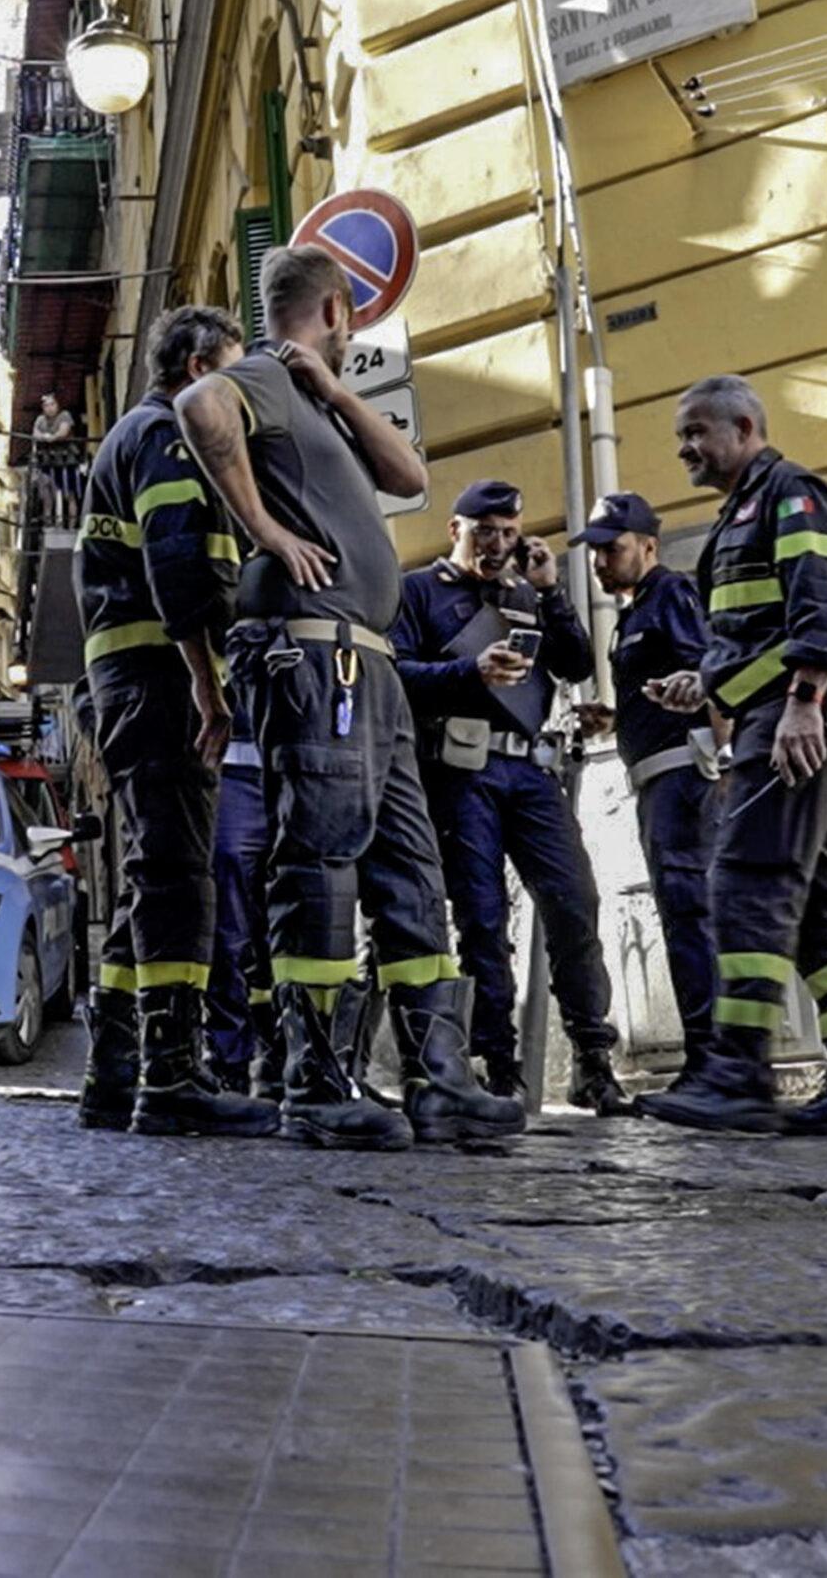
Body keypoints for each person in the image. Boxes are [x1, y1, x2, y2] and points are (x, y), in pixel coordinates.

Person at [175, 247, 526, 1150]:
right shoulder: (257, 376)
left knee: (412, 868)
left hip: (368, 667)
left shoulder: (314, 399)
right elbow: (199, 403)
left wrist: (334, 393)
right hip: (318, 656)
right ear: (337, 307)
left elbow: (411, 478)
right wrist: (266, 530)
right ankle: (317, 1077)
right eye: (353, 316)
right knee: (321, 862)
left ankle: (438, 1078)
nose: (358, 329)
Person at [640, 374, 827, 1136]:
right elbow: (763, 629)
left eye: (698, 432)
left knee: (745, 877)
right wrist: (705, 683)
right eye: (680, 437)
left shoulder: (792, 493)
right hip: (779, 708)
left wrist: (803, 700)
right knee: (819, 898)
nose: (686, 448)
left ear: (747, 427)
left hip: (797, 713)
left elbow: (826, 604)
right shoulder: (742, 511)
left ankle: (737, 1073)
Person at [71, 304, 273, 1137]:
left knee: (154, 873)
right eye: (231, 374)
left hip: (132, 680)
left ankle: (114, 1074)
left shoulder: (133, 434)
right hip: (161, 678)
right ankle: (174, 1077)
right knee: (182, 876)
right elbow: (180, 563)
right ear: (199, 370)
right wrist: (210, 685)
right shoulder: (169, 435)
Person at [392, 481, 630, 1115]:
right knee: (482, 919)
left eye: (507, 533)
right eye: (484, 532)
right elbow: (398, 675)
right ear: (455, 530)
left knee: (574, 904)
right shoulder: (419, 592)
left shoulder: (527, 593)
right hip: (461, 771)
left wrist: (551, 592)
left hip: (531, 772)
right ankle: (498, 1068)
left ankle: (593, 1060)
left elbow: (576, 665)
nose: (496, 546)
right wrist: (470, 672)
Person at [574, 492, 719, 1092]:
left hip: (684, 777)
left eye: (613, 548)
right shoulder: (635, 611)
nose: (601, 561)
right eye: (595, 552)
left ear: (649, 546)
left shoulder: (671, 594)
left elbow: (706, 673)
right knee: (682, 913)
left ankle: (715, 1063)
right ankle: (712, 1059)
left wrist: (721, 756)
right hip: (657, 776)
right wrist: (618, 716)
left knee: (691, 914)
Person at [203, 696, 279, 1099]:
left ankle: (284, 1051)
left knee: (294, 921)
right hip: (230, 767)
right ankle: (229, 1057)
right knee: (229, 927)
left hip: (300, 765)